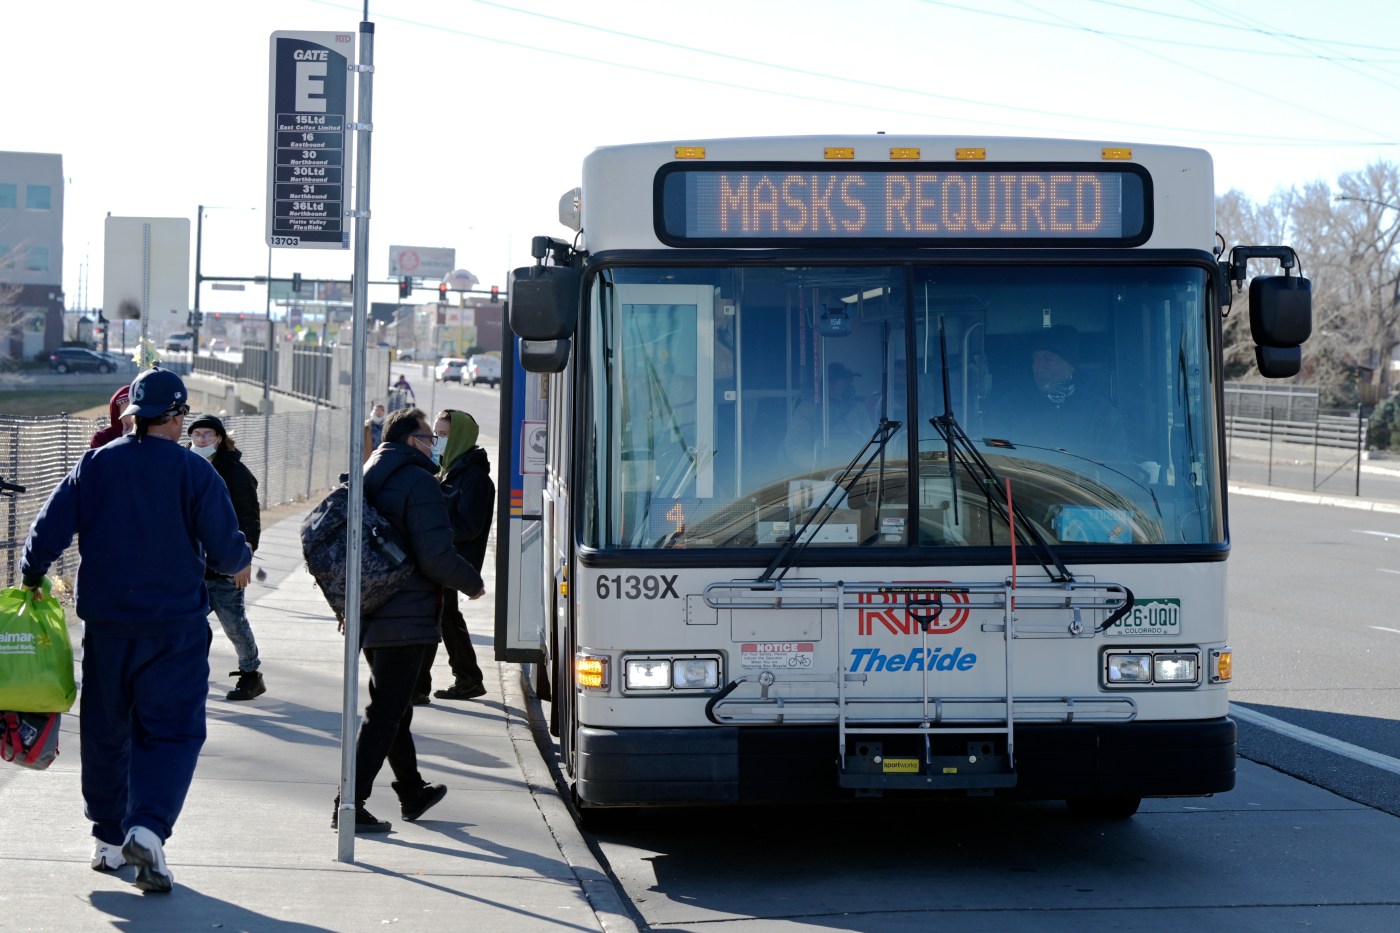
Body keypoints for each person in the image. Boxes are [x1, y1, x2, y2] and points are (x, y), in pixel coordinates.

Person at [21, 367, 251, 894]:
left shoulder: (95, 464)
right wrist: (238, 560)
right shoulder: (193, 471)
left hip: (108, 628)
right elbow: (224, 545)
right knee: (171, 729)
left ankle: (106, 840)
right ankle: (146, 827)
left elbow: (47, 531)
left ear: (132, 416)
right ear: (173, 417)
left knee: (107, 731)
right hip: (174, 629)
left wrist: (33, 576)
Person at [336, 407, 486, 834]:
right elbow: (435, 553)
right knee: (386, 711)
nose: (432, 444)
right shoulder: (417, 481)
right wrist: (471, 582)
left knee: (393, 707)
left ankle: (412, 791)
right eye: (427, 436)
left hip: (371, 608)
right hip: (406, 613)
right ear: (410, 440)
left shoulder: (369, 472)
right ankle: (348, 803)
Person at [415, 409, 494, 703]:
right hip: (443, 558)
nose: (437, 440)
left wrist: (433, 528)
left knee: (436, 618)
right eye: (436, 434)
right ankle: (468, 678)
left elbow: (469, 526)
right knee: (445, 618)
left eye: (444, 435)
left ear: (460, 437)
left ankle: (420, 686)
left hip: (452, 561)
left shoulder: (474, 478)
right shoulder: (451, 470)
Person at [187, 413, 266, 701]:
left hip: (224, 564)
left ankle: (251, 674)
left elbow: (249, 518)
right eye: (197, 435)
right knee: (187, 622)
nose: (202, 439)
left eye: (208, 434)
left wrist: (244, 558)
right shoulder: (183, 465)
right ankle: (189, 673)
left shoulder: (235, 472)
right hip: (190, 565)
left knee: (233, 622)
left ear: (220, 439)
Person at [983, 325, 1127, 459]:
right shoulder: (1006, 407)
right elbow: (992, 454)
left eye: (1048, 360)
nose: (1039, 368)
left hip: (1084, 486)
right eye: (1036, 360)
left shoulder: (1102, 413)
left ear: (1071, 366)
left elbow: (1119, 468)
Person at [784, 361, 876, 471]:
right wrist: (818, 464)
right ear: (825, 386)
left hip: (854, 470)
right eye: (840, 387)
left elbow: (872, 442)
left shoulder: (858, 408)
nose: (844, 392)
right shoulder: (809, 408)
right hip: (819, 470)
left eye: (847, 387)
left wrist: (869, 464)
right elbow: (794, 445)